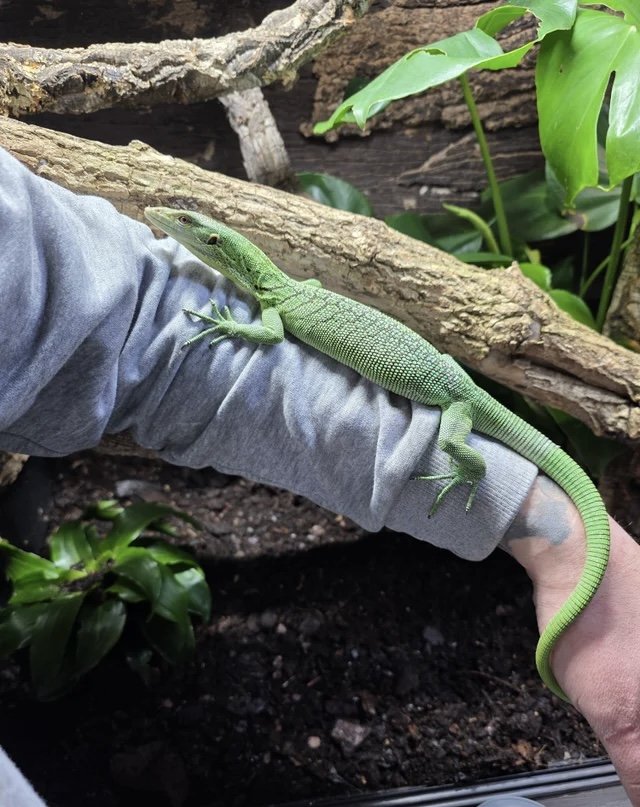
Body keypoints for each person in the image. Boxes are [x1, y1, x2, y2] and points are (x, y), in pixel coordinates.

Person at [0, 146, 638, 806]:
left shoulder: (275, 305)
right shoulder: (285, 295)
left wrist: (530, 517)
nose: (176, 228)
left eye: (197, 232)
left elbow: (169, 336)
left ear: (222, 252)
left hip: (454, 401)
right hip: (442, 388)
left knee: (461, 449)